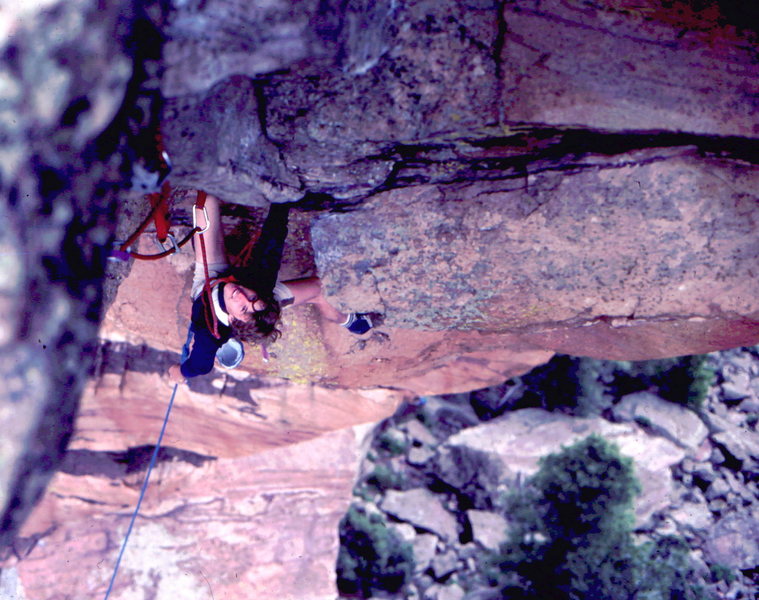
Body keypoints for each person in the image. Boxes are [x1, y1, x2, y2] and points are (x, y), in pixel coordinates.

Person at [167, 192, 373, 383]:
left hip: (209, 281)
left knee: (206, 202)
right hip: (253, 284)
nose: (242, 297)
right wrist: (282, 200)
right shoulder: (259, 284)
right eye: (252, 299)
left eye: (244, 308)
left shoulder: (209, 333)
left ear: (231, 319)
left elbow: (199, 366)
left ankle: (345, 320)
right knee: (317, 289)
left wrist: (179, 373)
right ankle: (348, 320)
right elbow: (273, 239)